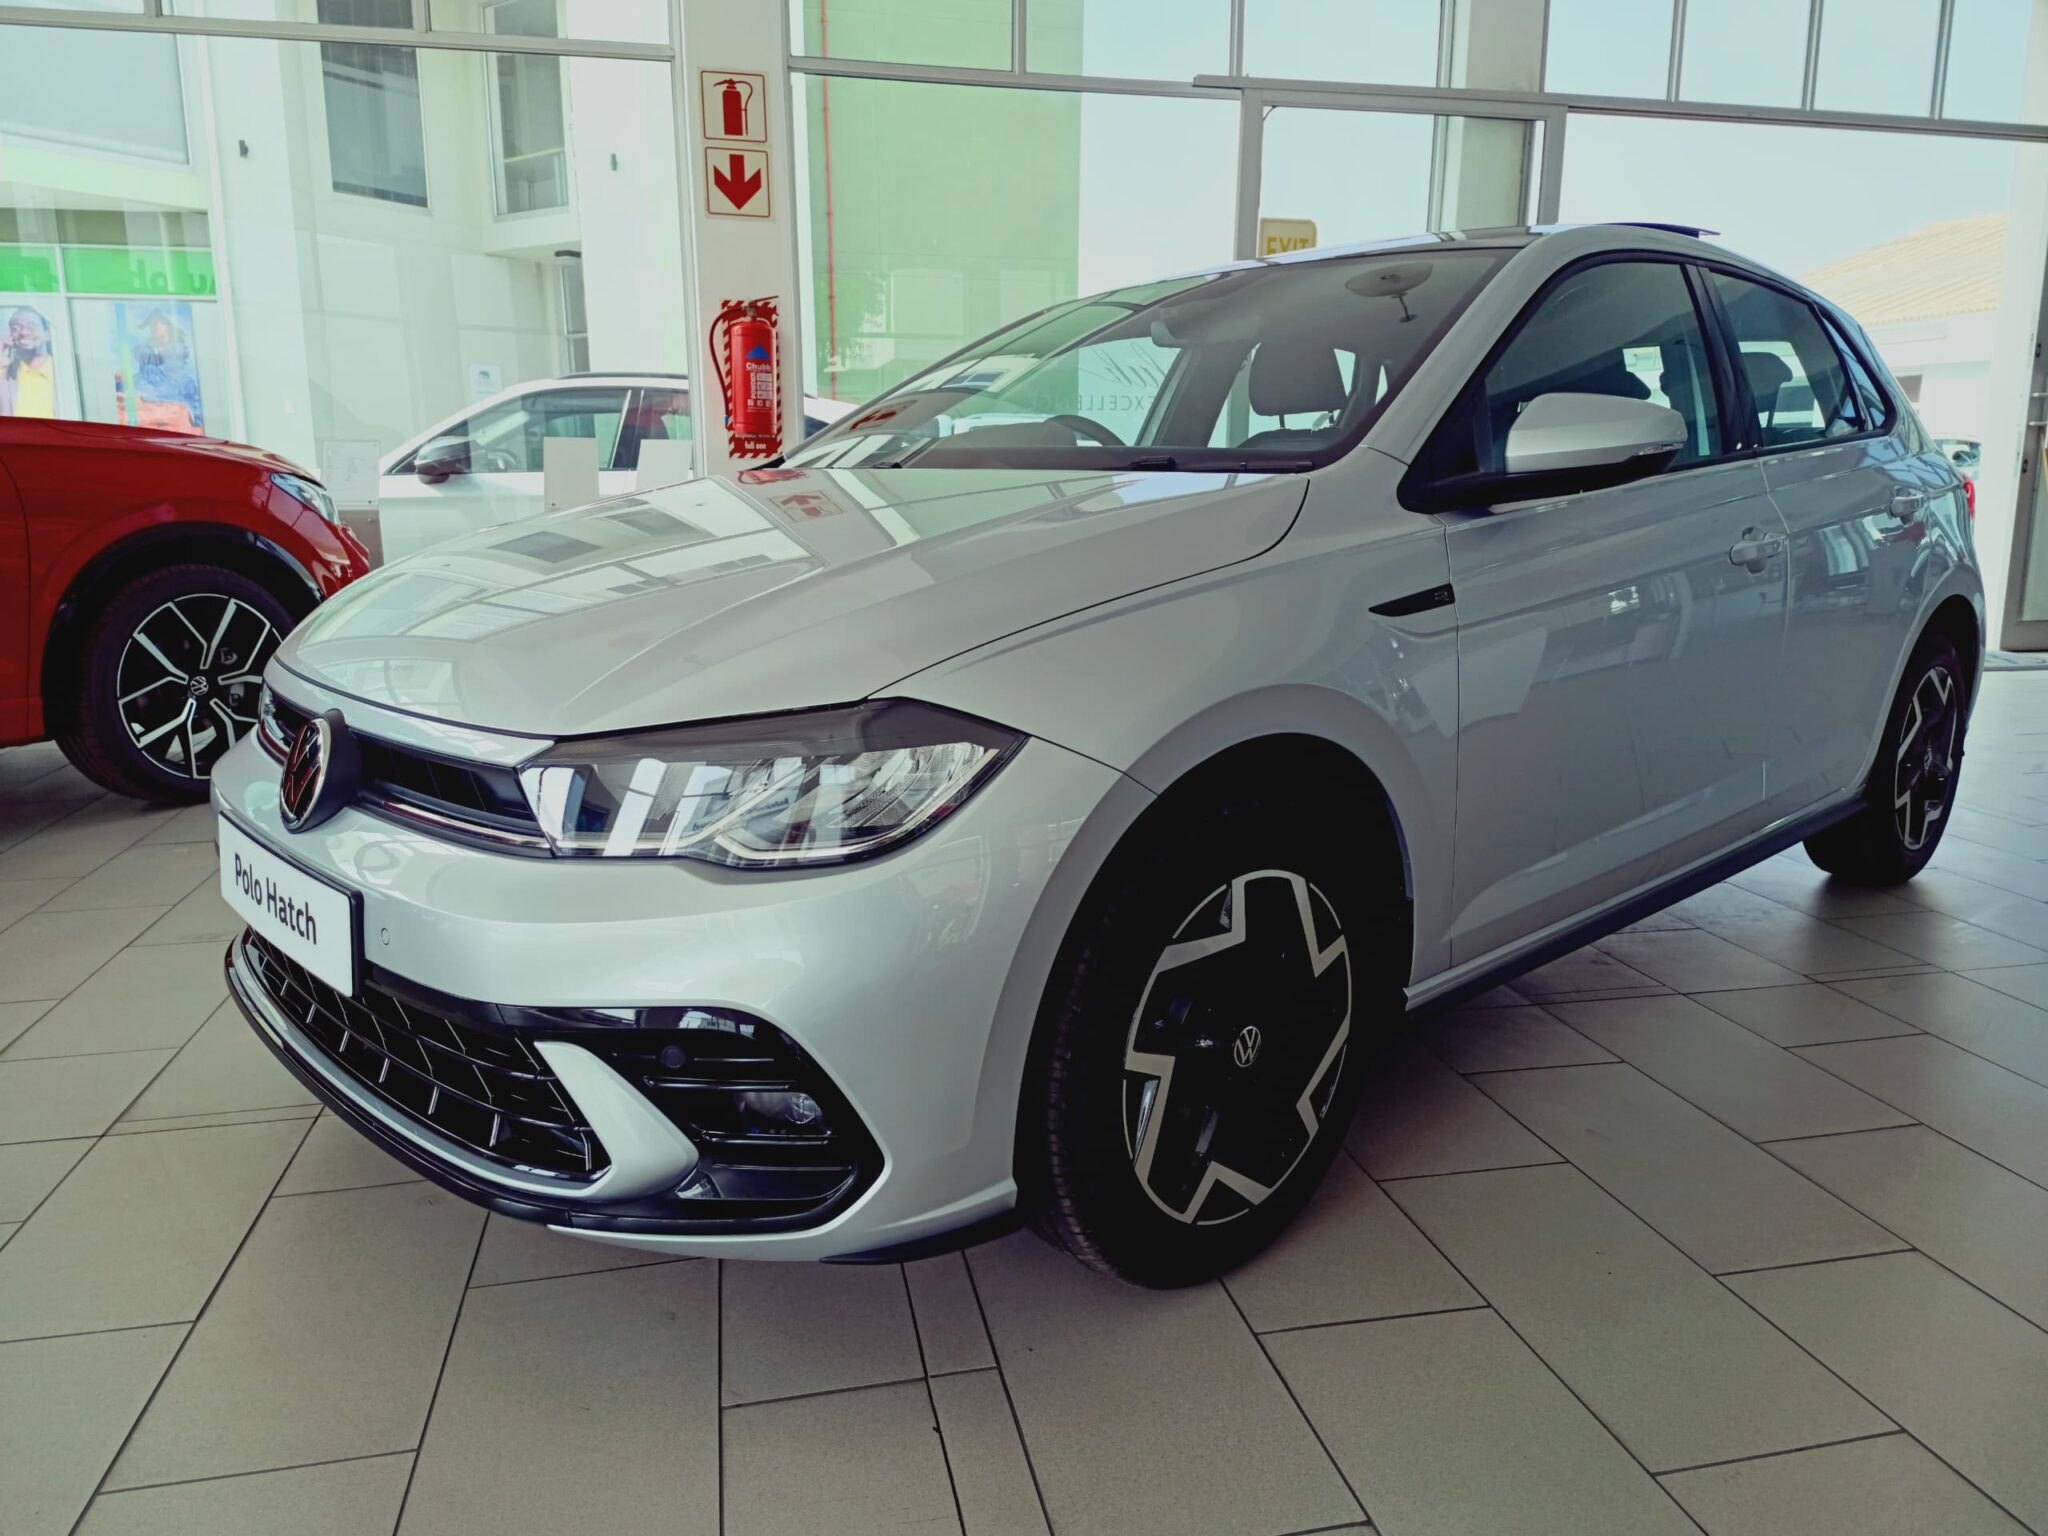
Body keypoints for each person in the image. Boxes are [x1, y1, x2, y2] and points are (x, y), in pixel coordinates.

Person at [130, 307, 204, 434]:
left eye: (160, 322)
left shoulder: (178, 357)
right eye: (153, 323)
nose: (156, 326)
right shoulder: (144, 353)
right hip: (150, 404)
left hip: (175, 401)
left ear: (168, 326)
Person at [1, 307, 57, 418]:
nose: (23, 332)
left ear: (47, 334)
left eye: (31, 327)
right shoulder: (4, 372)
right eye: (15, 328)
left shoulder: (63, 372)